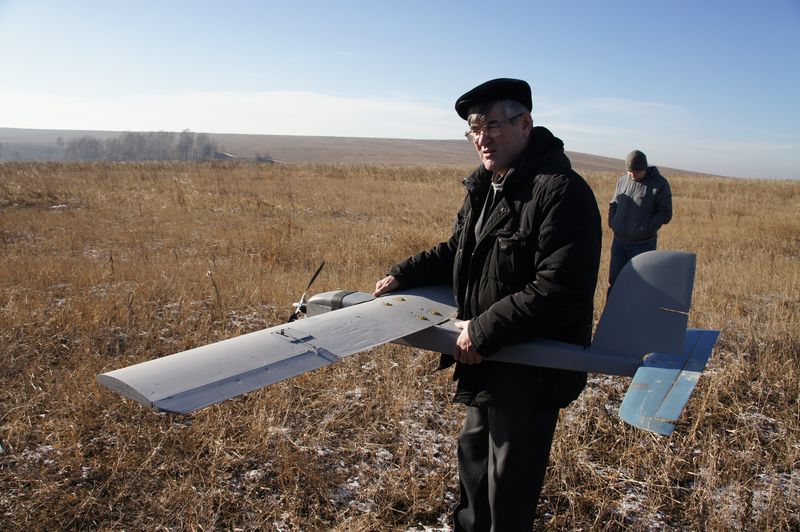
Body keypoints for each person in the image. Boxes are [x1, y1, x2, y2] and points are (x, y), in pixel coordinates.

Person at [373, 78, 602, 531]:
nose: (482, 139)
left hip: (530, 368)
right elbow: (459, 250)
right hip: (487, 360)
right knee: (474, 470)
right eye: (474, 130)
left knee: (508, 488)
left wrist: (483, 329)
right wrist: (405, 273)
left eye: (492, 126)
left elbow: (561, 289)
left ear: (525, 124)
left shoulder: (561, 192)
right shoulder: (487, 186)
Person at [607, 150, 673, 290]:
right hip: (619, 242)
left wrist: (646, 229)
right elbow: (614, 203)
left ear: (645, 169)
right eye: (629, 171)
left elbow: (665, 213)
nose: (632, 175)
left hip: (642, 245)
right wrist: (613, 222)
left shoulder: (660, 184)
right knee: (615, 282)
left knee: (638, 286)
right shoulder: (622, 180)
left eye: (636, 172)